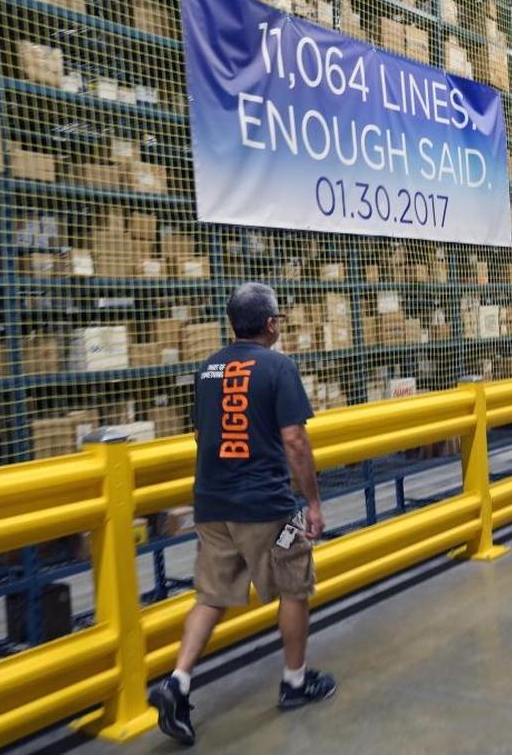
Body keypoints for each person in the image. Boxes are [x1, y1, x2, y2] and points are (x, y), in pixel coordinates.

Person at [148, 282, 336, 745]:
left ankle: (178, 682)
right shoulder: (278, 367)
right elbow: (295, 441)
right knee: (294, 586)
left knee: (211, 596)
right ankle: (295, 682)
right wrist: (312, 502)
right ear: (270, 324)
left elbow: (202, 435)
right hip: (271, 511)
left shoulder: (208, 369)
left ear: (232, 324)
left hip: (212, 506)